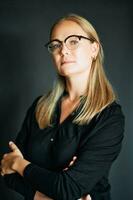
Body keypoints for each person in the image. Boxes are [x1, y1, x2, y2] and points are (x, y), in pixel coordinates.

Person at [0, 13, 125, 200]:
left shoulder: (109, 116)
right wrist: (43, 196)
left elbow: (68, 188)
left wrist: (20, 164)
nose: (63, 50)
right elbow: (7, 172)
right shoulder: (40, 106)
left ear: (94, 49)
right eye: (56, 45)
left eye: (73, 41)